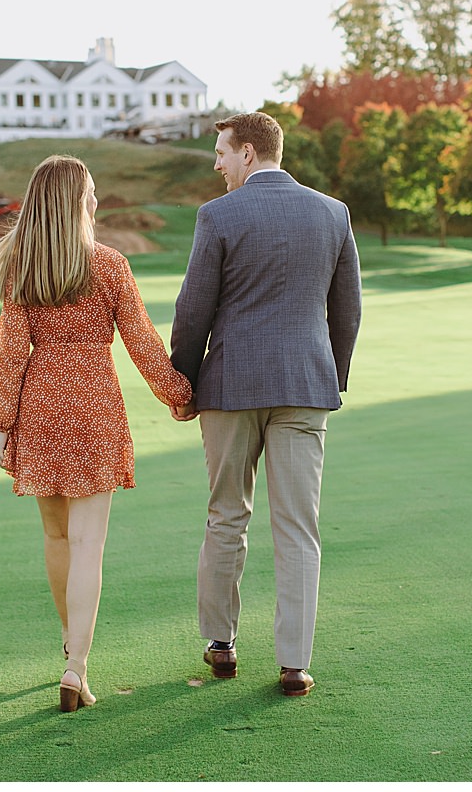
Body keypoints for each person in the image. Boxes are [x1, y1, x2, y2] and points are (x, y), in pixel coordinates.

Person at [0, 155, 194, 713]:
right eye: (92, 194)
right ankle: (77, 666)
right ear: (76, 202)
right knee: (88, 545)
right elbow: (143, 342)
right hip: (94, 410)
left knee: (57, 541)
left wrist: (4, 421)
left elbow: (10, 352)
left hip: (41, 410)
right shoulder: (110, 266)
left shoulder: (22, 269)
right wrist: (178, 393)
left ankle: (69, 652)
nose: (98, 202)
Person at [169, 111, 361, 698]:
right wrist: (333, 377)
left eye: (223, 153)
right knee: (298, 526)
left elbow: (193, 309)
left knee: (228, 515)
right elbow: (347, 311)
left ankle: (222, 645)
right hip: (306, 387)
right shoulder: (333, 213)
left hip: (229, 388)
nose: (218, 165)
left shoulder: (217, 215)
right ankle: (295, 663)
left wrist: (184, 382)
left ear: (249, 152)